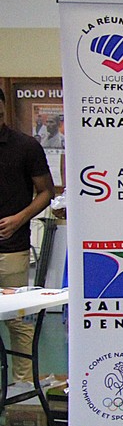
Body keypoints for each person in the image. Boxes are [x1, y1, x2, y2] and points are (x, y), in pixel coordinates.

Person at [0, 88, 53, 389]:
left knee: (17, 319)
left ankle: (23, 384)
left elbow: (46, 192)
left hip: (11, 248)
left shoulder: (25, 146)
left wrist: (19, 219)